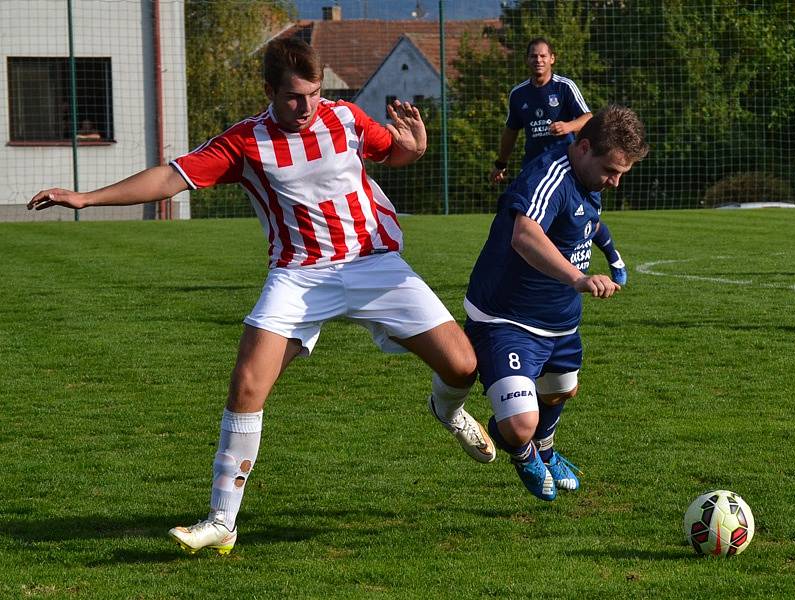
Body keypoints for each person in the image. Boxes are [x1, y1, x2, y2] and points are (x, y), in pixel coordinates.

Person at [28, 37, 495, 554]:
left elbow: (395, 153)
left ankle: (446, 410)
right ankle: (221, 522)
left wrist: (417, 146)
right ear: (269, 90)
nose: (307, 107)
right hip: (298, 277)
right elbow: (171, 177)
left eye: (315, 94)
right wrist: (87, 197)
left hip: (373, 264)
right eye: (295, 97)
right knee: (248, 383)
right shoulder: (245, 141)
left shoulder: (345, 118)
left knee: (461, 367)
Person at [466, 105, 648, 500]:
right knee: (520, 424)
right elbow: (524, 236)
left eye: (622, 173)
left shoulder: (591, 180)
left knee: (563, 390)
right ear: (583, 148)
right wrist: (579, 278)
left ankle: (545, 451)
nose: (615, 183)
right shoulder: (549, 175)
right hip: (507, 318)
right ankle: (524, 449)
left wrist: (613, 256)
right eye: (611, 171)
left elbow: (589, 223)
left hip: (560, 319)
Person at [489, 37, 629, 286]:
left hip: (571, 171)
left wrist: (568, 126)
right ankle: (528, 273)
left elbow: (589, 117)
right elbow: (510, 131)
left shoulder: (564, 87)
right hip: (535, 171)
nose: (538, 60)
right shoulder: (519, 94)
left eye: (543, 56)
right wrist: (501, 163)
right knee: (524, 222)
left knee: (586, 220)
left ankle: (613, 256)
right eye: (533, 56)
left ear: (552, 59)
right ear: (527, 60)